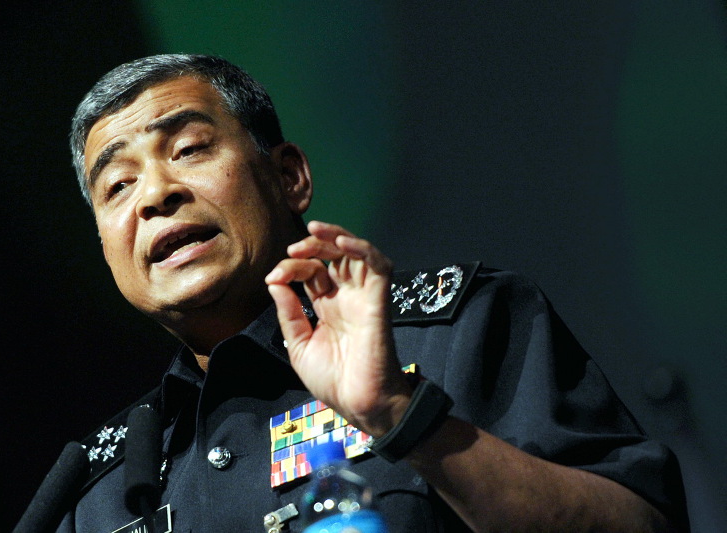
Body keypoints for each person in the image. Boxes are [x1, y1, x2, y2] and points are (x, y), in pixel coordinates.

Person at [47, 53, 687, 532]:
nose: (156, 195)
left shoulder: (459, 331)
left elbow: (641, 523)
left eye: (188, 149)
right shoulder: (96, 485)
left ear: (290, 177)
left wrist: (400, 417)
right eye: (118, 186)